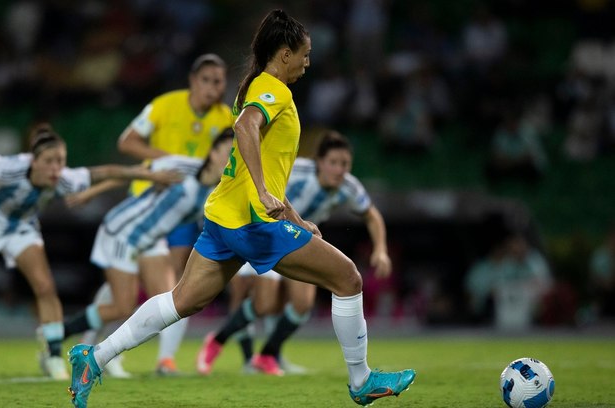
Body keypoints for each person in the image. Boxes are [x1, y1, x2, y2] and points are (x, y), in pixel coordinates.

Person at [67, 10, 415, 408]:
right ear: (284, 54)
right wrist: (266, 197)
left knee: (184, 300)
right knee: (348, 279)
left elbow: (262, 160)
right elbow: (245, 128)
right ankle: (361, 380)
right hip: (252, 221)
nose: (307, 62)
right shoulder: (273, 90)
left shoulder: (252, 85)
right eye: (304, 53)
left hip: (224, 214)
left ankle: (93, 357)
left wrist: (297, 219)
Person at [0, 124, 178, 381]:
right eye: (49, 161)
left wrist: (152, 176)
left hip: (21, 227)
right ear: (34, 161)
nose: (56, 168)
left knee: (45, 287)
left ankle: (53, 357)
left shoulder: (66, 179)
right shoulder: (6, 169)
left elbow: (107, 171)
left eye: (61, 161)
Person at [197, 131, 393, 376]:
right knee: (264, 303)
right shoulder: (297, 171)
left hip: (300, 242)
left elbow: (372, 215)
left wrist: (381, 250)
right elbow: (262, 184)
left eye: (345, 164)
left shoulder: (349, 187)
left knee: (302, 305)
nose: (339, 170)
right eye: (333, 163)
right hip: (265, 233)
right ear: (319, 162)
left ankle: (267, 355)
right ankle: (219, 340)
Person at [61, 130, 233, 376]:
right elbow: (132, 173)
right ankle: (59, 333)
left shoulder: (219, 193)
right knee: (122, 305)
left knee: (174, 298)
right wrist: (90, 193)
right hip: (123, 232)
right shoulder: (181, 166)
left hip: (150, 241)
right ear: (213, 152)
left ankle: (164, 362)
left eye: (234, 156)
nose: (229, 161)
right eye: (227, 153)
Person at [111, 53, 233, 374]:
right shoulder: (165, 105)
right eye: (205, 80)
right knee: (124, 282)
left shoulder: (227, 120)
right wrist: (167, 160)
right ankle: (105, 344)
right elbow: (127, 142)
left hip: (186, 209)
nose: (211, 87)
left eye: (218, 81)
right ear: (193, 81)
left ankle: (165, 359)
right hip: (148, 202)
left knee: (178, 282)